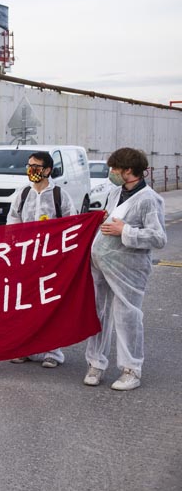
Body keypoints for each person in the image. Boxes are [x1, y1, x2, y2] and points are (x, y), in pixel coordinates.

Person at [83, 147, 166, 391]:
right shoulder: (115, 192)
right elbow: (109, 219)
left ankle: (131, 369)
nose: (111, 173)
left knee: (126, 316)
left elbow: (158, 238)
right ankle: (96, 363)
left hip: (128, 269)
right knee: (97, 313)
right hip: (102, 264)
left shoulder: (149, 199)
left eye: (115, 169)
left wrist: (125, 231)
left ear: (129, 171)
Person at [6, 151, 76, 368]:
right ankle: (25, 347)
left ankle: (52, 352)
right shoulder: (22, 193)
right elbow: (13, 221)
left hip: (51, 260)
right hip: (26, 258)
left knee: (49, 304)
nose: (31, 170)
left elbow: (71, 224)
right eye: (29, 166)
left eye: (36, 166)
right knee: (25, 303)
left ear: (47, 170)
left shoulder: (60, 195)